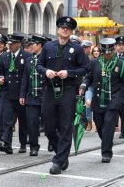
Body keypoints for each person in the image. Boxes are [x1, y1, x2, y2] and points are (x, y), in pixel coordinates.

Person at [37, 17, 88, 174]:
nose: (64, 30)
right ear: (58, 29)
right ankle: (62, 152)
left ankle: (58, 162)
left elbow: (85, 68)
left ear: (71, 31)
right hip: (51, 90)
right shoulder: (48, 46)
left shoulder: (77, 49)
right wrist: (46, 71)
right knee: (48, 125)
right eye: (62, 27)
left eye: (68, 28)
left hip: (68, 90)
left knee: (66, 126)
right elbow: (39, 65)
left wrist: (69, 73)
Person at [81, 38, 124, 163]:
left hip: (113, 101)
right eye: (105, 52)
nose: (107, 54)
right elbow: (88, 78)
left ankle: (106, 153)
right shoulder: (94, 62)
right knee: (100, 126)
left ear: (113, 50)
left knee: (108, 125)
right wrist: (83, 86)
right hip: (98, 99)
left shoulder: (121, 64)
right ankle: (107, 141)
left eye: (109, 52)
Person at [0, 33, 31, 154]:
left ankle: (22, 144)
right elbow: (0, 71)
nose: (10, 46)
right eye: (9, 44)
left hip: (21, 94)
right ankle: (7, 144)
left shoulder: (26, 56)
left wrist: (24, 94)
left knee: (22, 121)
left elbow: (28, 76)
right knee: (7, 120)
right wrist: (0, 77)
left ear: (19, 44)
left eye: (13, 44)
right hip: (7, 92)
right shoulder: (5, 56)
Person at [20, 35, 48, 156]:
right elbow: (25, 78)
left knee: (49, 122)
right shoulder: (29, 60)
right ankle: (33, 146)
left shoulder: (48, 59)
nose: (31, 46)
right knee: (32, 123)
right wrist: (22, 95)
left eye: (34, 44)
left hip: (46, 96)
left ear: (40, 45)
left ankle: (52, 140)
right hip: (31, 96)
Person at [81, 46, 101, 131]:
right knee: (88, 103)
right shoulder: (90, 62)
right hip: (91, 87)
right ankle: (89, 122)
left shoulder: (103, 62)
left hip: (100, 88)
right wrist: (83, 85)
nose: (96, 52)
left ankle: (98, 123)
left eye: (97, 51)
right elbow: (87, 76)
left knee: (98, 106)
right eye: (94, 51)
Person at [114, 36, 124, 139]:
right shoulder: (111, 57)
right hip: (114, 87)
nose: (121, 47)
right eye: (119, 45)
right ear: (115, 46)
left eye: (123, 45)